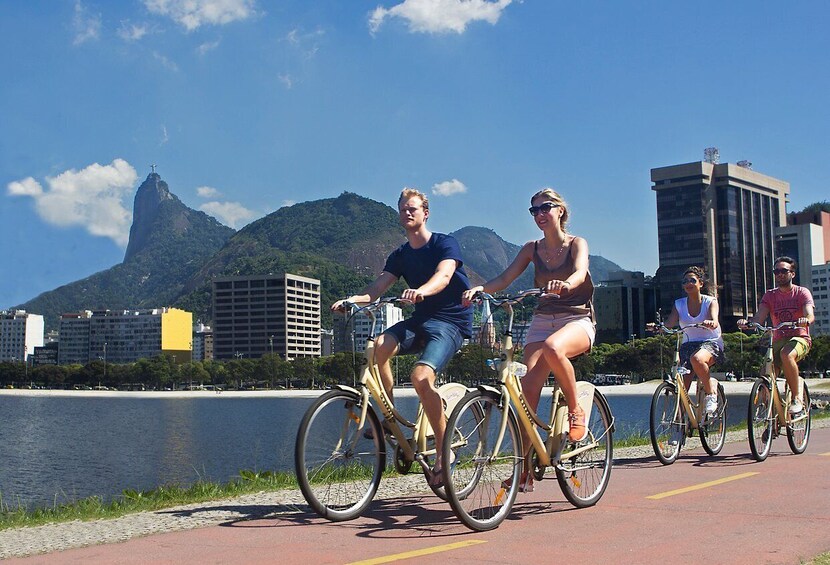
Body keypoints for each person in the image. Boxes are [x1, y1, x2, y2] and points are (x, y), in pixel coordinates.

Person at [332, 187, 473, 485]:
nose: (407, 213)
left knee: (421, 378)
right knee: (378, 347)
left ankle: (443, 450)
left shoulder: (444, 243)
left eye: (413, 208)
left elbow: (445, 275)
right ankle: (389, 418)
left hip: (450, 323)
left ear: (425, 212)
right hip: (421, 320)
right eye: (403, 209)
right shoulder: (400, 255)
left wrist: (422, 290)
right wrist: (352, 301)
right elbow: (376, 289)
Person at [462, 188, 594, 493]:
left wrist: (566, 284)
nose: (539, 214)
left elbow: (579, 272)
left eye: (545, 208)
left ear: (560, 210)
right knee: (525, 394)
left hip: (577, 318)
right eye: (533, 210)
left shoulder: (577, 244)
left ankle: (576, 410)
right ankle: (524, 469)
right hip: (542, 320)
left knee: (553, 349)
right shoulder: (531, 249)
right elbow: (504, 279)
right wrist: (481, 289)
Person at [738, 256, 815, 415]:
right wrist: (749, 323)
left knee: (786, 354)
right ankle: (771, 414)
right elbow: (760, 316)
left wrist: (805, 320)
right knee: (766, 371)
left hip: (800, 338)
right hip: (778, 339)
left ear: (792, 273)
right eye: (776, 271)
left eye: (784, 271)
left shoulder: (801, 293)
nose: (779, 274)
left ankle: (796, 398)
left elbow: (810, 315)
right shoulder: (770, 296)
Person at [660, 266, 724, 416]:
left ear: (700, 283)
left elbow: (714, 320)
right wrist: (659, 327)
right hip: (688, 344)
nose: (688, 283)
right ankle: (681, 425)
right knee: (682, 388)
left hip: (711, 342)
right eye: (685, 281)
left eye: (692, 280)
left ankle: (711, 394)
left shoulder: (710, 302)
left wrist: (711, 322)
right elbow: (670, 323)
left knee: (697, 359)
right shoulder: (679, 304)